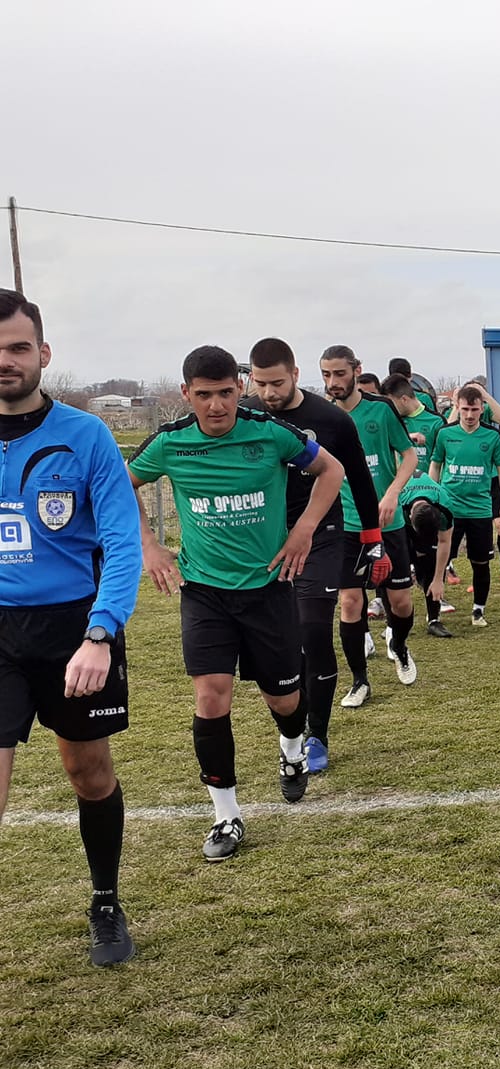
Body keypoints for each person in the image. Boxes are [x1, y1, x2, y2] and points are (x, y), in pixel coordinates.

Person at [129, 346, 343, 861]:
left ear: (239, 388)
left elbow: (330, 471)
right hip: (204, 593)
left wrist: (303, 531)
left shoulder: (268, 433)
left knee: (284, 700)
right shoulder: (170, 443)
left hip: (268, 588)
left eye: (226, 392)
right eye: (204, 395)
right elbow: (121, 483)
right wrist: (150, 545)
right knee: (211, 697)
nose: (217, 405)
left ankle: (292, 753)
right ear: (187, 395)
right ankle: (226, 816)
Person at [0, 289, 143, 966]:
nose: (5, 361)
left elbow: (122, 543)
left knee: (88, 773)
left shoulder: (87, 437)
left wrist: (101, 632)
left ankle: (107, 901)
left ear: (42, 354)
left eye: (17, 348)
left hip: (72, 630)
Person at [243, 338, 391, 772]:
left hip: (323, 534)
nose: (269, 393)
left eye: (277, 383)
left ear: (294, 374)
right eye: (261, 383)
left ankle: (317, 735)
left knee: (312, 631)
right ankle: (291, 722)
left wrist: (372, 538)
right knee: (283, 644)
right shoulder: (245, 414)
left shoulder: (329, 419)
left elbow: (360, 480)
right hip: (266, 539)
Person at [318, 346, 419, 706]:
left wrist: (392, 493)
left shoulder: (380, 409)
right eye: (326, 375)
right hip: (345, 525)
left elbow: (409, 454)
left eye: (339, 374)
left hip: (387, 524)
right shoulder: (322, 418)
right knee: (349, 602)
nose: (333, 382)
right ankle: (359, 681)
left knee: (401, 602)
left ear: (356, 371)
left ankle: (400, 644)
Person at [429, 384, 500, 627]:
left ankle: (478, 610)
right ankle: (434, 611)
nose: (469, 414)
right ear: (457, 407)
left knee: (480, 562)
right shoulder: (446, 433)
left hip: (479, 509)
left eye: (474, 409)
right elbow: (435, 465)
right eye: (464, 409)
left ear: (481, 408)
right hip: (449, 509)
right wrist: (432, 497)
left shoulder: (491, 435)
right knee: (440, 561)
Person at [397, 474, 456, 637]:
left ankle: (434, 620)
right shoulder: (398, 502)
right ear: (410, 517)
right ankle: (393, 622)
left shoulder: (445, 506)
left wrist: (438, 580)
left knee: (431, 561)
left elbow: (444, 542)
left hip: (426, 516)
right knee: (396, 565)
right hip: (399, 526)